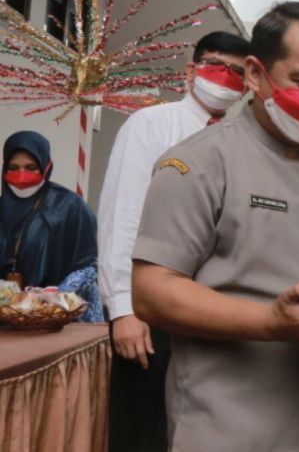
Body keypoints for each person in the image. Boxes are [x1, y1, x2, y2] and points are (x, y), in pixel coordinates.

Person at [130, 1, 299, 450]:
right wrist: (271, 322)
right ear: (256, 75)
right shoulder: (198, 162)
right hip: (227, 426)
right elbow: (151, 289)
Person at [97, 30, 249, 452]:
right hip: (152, 312)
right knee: (144, 432)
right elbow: (122, 215)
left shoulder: (243, 141)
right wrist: (124, 308)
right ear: (191, 71)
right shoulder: (152, 124)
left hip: (214, 314)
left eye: (239, 73)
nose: (227, 78)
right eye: (218, 66)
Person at [1, 131, 101, 321]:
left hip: (60, 320)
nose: (22, 174)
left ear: (46, 167)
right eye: (13, 167)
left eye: (31, 167)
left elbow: (89, 265)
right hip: (7, 321)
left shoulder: (71, 207)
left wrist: (50, 300)